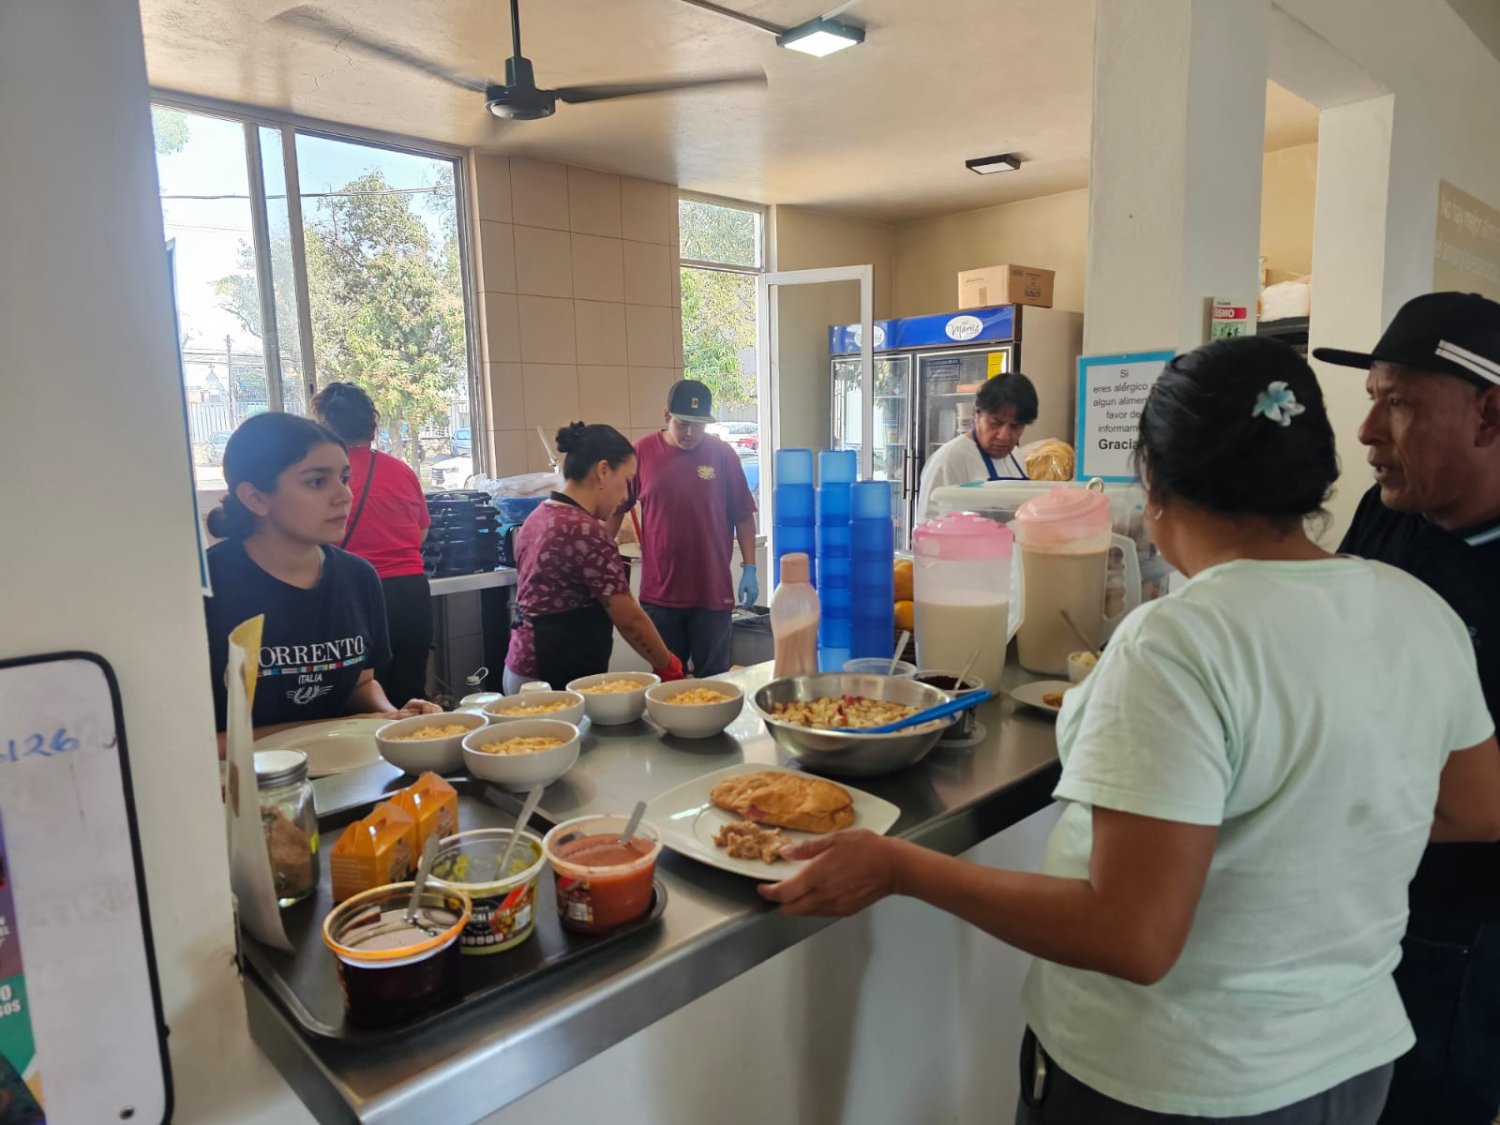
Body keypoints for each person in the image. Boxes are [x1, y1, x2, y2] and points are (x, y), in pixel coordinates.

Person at [760, 335, 1500, 1123]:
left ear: (1154, 481)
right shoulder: (1415, 607)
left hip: (1171, 1081)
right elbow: (1473, 807)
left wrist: (901, 867)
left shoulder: (1180, 640)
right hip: (1344, 1068)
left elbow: (1132, 935)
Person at [1314, 291, 1500, 1124]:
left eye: (1400, 404)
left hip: (1460, 930)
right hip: (1354, 909)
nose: (1367, 434)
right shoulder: (1389, 515)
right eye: (1372, 399)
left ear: (1490, 414)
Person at [203, 412, 440, 738]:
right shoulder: (207, 588)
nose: (344, 495)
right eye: (317, 481)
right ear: (255, 498)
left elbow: (362, 684)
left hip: (345, 776)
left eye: (343, 478)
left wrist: (392, 718)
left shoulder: (359, 577)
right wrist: (331, 728)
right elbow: (194, 740)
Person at [504, 422, 685, 693]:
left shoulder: (538, 517)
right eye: (626, 481)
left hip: (520, 667)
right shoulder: (585, 531)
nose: (626, 495)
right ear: (603, 471)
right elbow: (630, 619)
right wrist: (667, 664)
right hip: (551, 677)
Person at [607, 380, 758, 678]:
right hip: (661, 593)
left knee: (715, 679)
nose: (690, 433)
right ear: (666, 416)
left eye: (699, 426)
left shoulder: (723, 454)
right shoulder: (641, 453)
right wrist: (601, 555)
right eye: (683, 424)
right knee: (668, 680)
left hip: (712, 592)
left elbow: (743, 514)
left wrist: (750, 566)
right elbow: (616, 508)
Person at [310, 383, 433, 709]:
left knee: (356, 700)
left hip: (355, 597)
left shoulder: (322, 479)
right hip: (411, 595)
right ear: (372, 426)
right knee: (411, 697)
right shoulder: (402, 470)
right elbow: (421, 533)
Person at [914, 371, 1039, 523]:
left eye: (1015, 426)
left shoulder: (1016, 457)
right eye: (995, 423)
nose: (1004, 435)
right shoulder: (949, 459)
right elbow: (926, 529)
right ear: (977, 414)